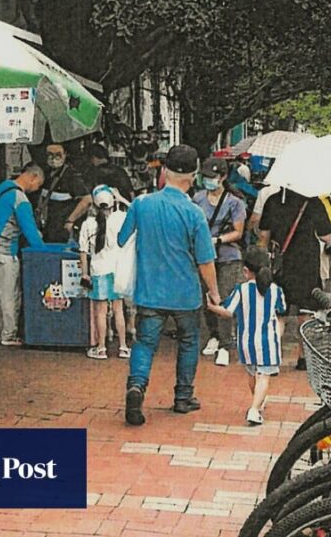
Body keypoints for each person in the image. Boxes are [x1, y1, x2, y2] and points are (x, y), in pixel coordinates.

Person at [118, 145, 221, 426]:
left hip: (149, 291)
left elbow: (121, 238)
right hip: (185, 293)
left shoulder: (142, 204)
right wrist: (214, 294)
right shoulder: (194, 213)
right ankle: (183, 397)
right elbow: (205, 261)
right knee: (189, 341)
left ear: (165, 171)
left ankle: (136, 387)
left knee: (145, 342)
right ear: (194, 175)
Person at [257, 188, 331, 370]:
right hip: (307, 264)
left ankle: (272, 357)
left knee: (280, 313)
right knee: (305, 313)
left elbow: (263, 237)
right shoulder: (313, 202)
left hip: (280, 265)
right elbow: (327, 236)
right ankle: (303, 358)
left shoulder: (273, 201)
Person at [206, 246, 285, 425]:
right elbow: (281, 312)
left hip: (246, 341)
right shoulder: (275, 290)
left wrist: (210, 306)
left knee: (252, 374)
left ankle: (258, 402)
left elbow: (227, 311)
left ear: (246, 271)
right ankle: (254, 409)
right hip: (267, 341)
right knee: (264, 376)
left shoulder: (241, 290)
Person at [0, 164, 46, 347]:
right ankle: (8, 335)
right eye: (38, 184)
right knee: (10, 295)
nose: (36, 189)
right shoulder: (20, 199)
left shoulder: (3, 189)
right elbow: (30, 231)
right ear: (32, 177)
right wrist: (43, 250)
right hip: (4, 251)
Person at [193, 157, 246, 364]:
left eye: (212, 177)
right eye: (205, 177)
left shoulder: (234, 202)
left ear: (223, 177)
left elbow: (238, 232)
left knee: (222, 298)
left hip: (227, 257)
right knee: (206, 298)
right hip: (204, 257)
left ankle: (225, 343)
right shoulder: (197, 199)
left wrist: (217, 240)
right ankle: (214, 335)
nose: (209, 180)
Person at [79, 185, 131, 360]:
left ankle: (101, 348)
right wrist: (120, 197)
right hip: (117, 271)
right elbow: (136, 212)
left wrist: (84, 274)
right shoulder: (120, 219)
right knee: (119, 310)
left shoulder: (88, 224)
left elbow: (83, 253)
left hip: (98, 270)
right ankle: (123, 346)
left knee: (100, 311)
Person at [64, 144, 134, 233]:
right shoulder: (120, 171)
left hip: (100, 218)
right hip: (123, 215)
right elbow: (131, 194)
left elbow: (87, 200)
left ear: (92, 158)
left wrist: (71, 220)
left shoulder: (91, 174)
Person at [36, 143, 88, 243]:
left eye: (58, 154)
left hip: (62, 230)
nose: (53, 158)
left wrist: (70, 221)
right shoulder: (44, 174)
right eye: (50, 154)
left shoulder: (72, 176)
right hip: (45, 228)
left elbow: (87, 200)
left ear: (65, 154)